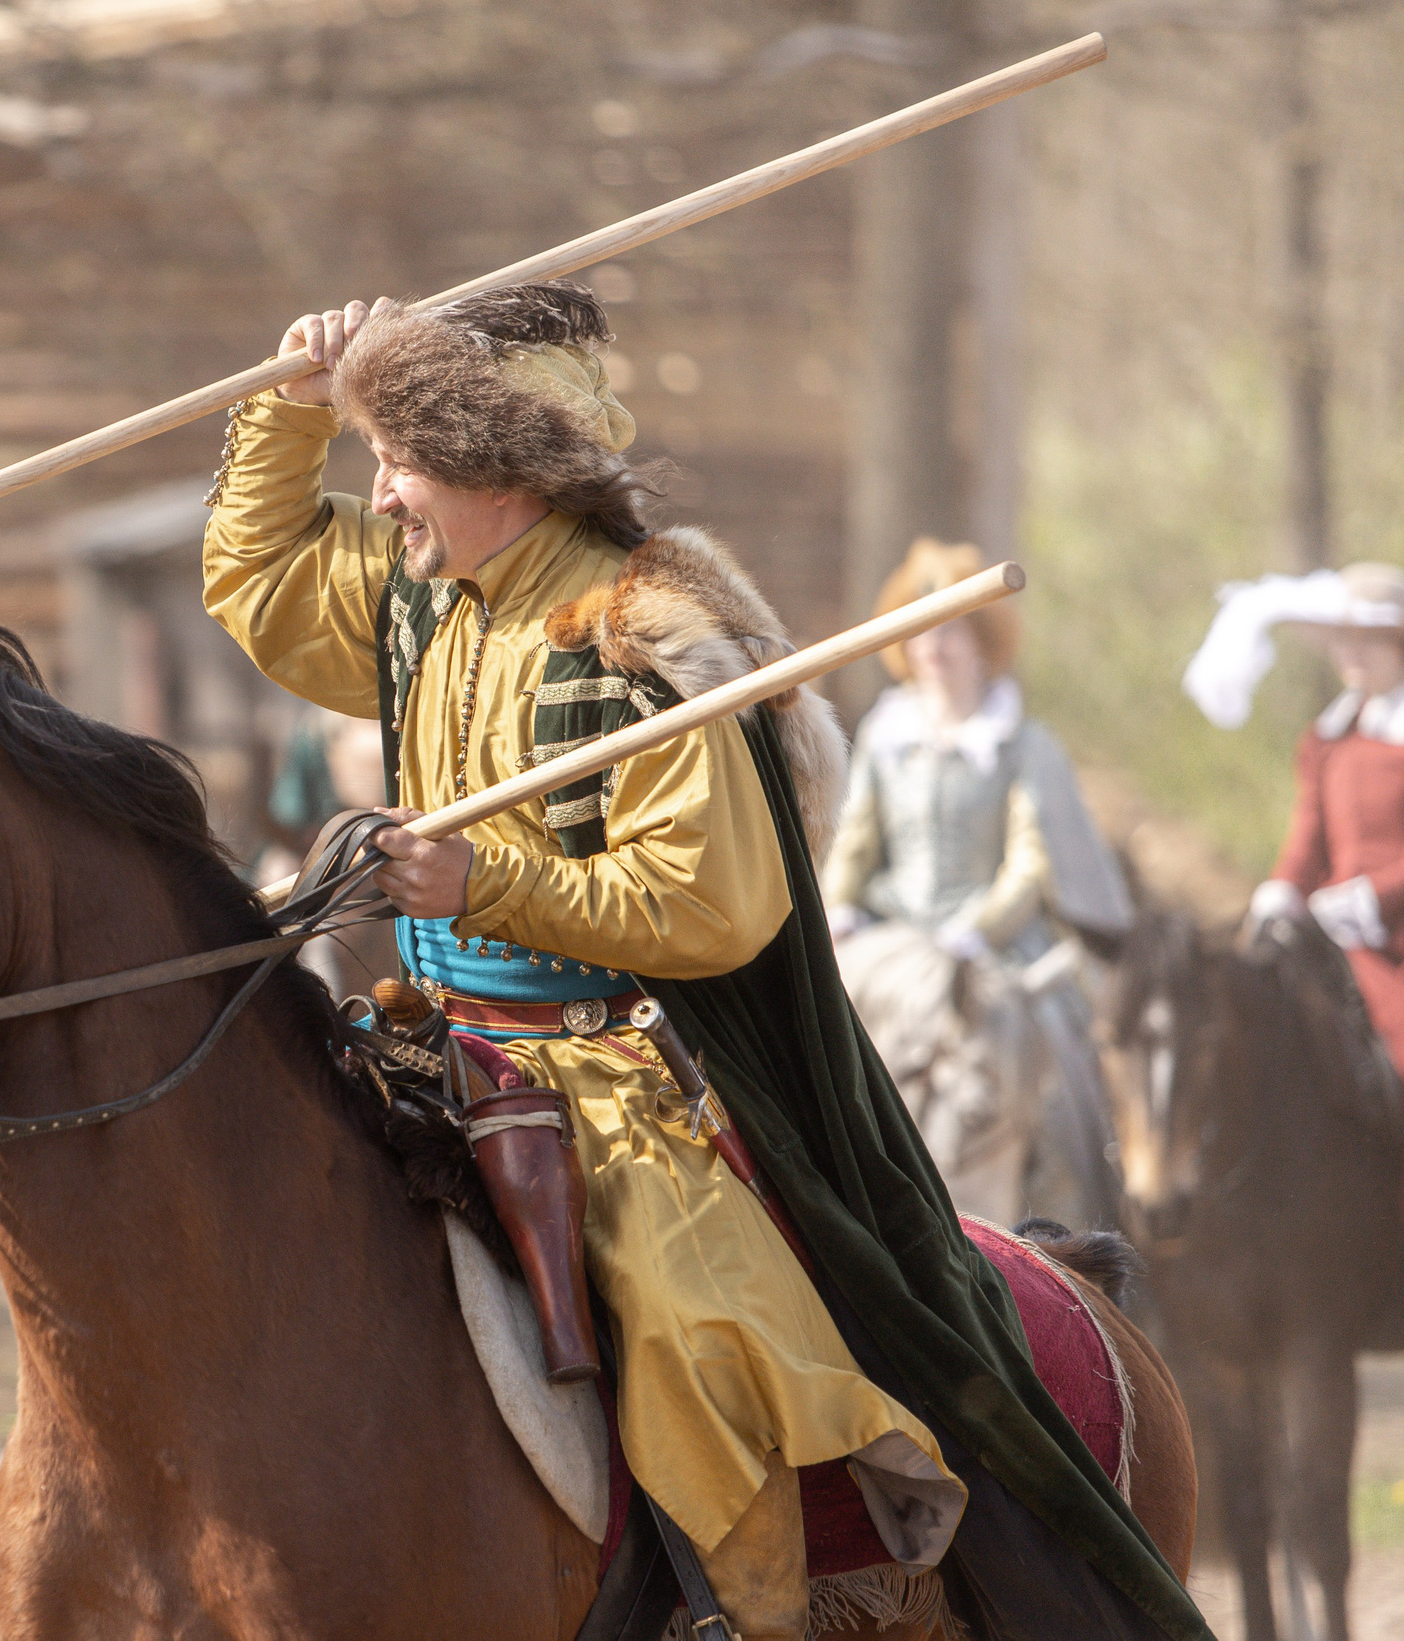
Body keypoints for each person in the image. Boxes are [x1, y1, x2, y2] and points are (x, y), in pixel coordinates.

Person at [203, 285, 1205, 1640]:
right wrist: (284, 405)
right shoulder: (419, 598)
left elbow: (714, 904)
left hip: (620, 1071)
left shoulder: (646, 634)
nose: (379, 496)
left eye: (402, 460)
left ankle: (749, 1612)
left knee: (692, 1332)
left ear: (506, 466)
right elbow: (256, 583)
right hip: (432, 1031)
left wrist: (488, 876)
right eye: (376, 459)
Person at [820, 539, 1133, 1228]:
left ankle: (1067, 1231)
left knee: (1057, 1088)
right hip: (896, 941)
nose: (936, 647)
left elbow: (1030, 863)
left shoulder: (1023, 742)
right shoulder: (886, 731)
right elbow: (856, 838)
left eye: (953, 628)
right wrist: (840, 905)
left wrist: (976, 931)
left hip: (993, 947)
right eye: (924, 629)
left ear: (983, 640)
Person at [1220, 561, 1404, 1065]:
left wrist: (1374, 899)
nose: (1353, 651)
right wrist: (1281, 891)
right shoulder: (1331, 739)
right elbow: (1310, 836)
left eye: (1371, 638)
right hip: (1332, 932)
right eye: (1344, 638)